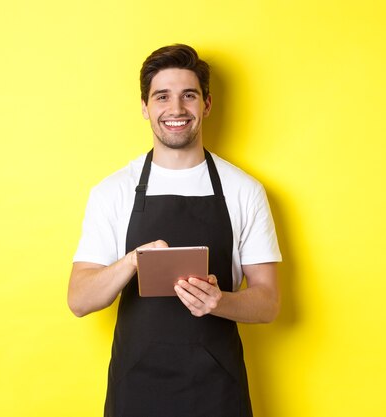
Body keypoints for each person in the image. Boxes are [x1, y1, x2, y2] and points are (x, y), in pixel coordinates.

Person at [67, 44, 282, 417]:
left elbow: (269, 302)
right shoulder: (113, 192)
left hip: (218, 391)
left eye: (189, 96)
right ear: (145, 108)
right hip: (136, 389)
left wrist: (221, 301)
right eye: (162, 96)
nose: (176, 109)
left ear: (207, 105)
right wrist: (134, 261)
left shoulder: (243, 190)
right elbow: (80, 300)